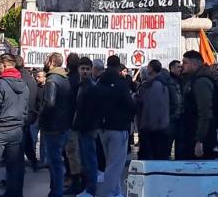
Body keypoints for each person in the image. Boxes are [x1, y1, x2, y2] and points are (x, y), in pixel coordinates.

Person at [0, 53, 28, 197]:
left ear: (5, 65)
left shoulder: (0, 84)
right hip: (17, 130)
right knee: (15, 167)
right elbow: (26, 109)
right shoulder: (24, 84)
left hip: (0, 130)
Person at [98, 55, 136, 197]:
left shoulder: (100, 82)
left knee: (110, 163)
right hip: (118, 127)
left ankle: (116, 192)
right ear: (118, 66)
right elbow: (130, 105)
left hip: (102, 127)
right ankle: (109, 193)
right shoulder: (120, 84)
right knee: (115, 166)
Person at [39, 52, 74, 197]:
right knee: (56, 161)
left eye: (47, 59)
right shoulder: (65, 79)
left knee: (55, 163)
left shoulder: (52, 80)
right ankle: (55, 190)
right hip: (63, 125)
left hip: (53, 127)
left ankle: (56, 192)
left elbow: (50, 103)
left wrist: (41, 117)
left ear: (52, 61)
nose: (45, 62)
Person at [178, 50, 216, 160]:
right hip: (191, 133)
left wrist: (200, 140)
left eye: (185, 62)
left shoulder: (201, 82)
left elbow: (205, 112)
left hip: (198, 137)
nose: (182, 65)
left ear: (194, 64)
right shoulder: (192, 79)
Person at [136, 60, 173, 160]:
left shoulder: (156, 85)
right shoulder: (159, 83)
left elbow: (153, 108)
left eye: (148, 66)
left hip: (154, 130)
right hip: (158, 128)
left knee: (152, 158)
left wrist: (147, 127)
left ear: (151, 68)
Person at [73, 57, 99, 197]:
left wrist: (81, 124)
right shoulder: (81, 85)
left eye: (87, 69)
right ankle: (88, 188)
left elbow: (91, 110)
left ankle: (91, 190)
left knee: (89, 160)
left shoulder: (91, 86)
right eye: (82, 68)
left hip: (88, 127)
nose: (84, 71)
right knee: (85, 159)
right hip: (83, 127)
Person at [16, 56, 39, 171]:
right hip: (29, 114)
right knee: (27, 140)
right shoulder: (29, 77)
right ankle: (33, 161)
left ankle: (16, 172)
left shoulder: (20, 79)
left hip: (22, 115)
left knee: (19, 145)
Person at [65, 52, 83, 195]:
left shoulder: (72, 79)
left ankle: (77, 182)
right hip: (76, 121)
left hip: (72, 121)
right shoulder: (78, 79)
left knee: (74, 154)